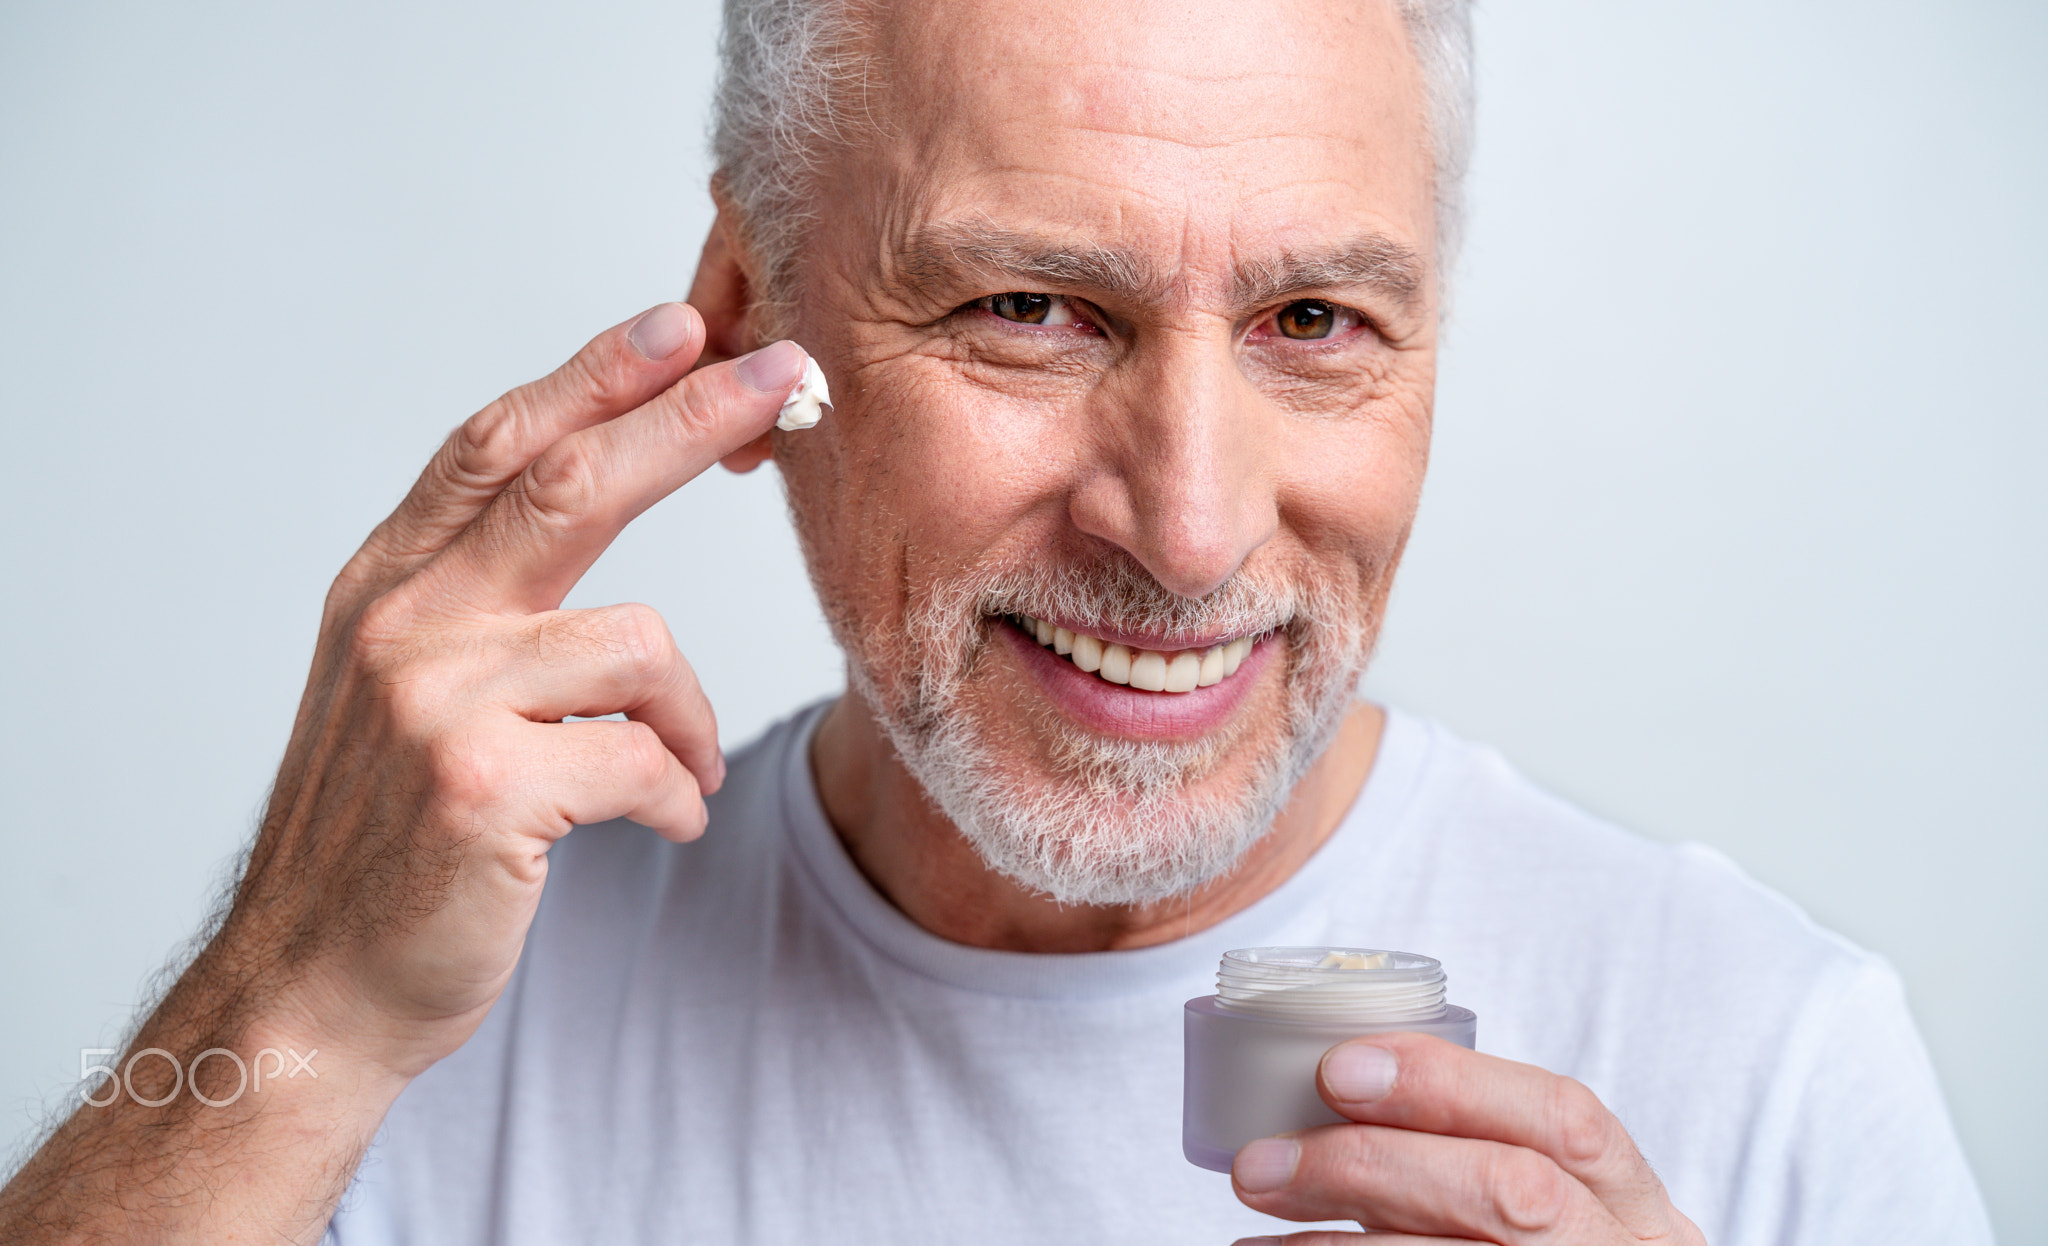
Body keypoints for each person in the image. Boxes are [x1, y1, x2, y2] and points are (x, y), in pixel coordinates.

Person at [0, 0, 1992, 1241]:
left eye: (1315, 321)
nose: (1193, 530)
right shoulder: (422, 1019)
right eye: (1028, 308)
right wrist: (278, 1009)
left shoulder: (1769, 1071)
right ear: (751, 300)